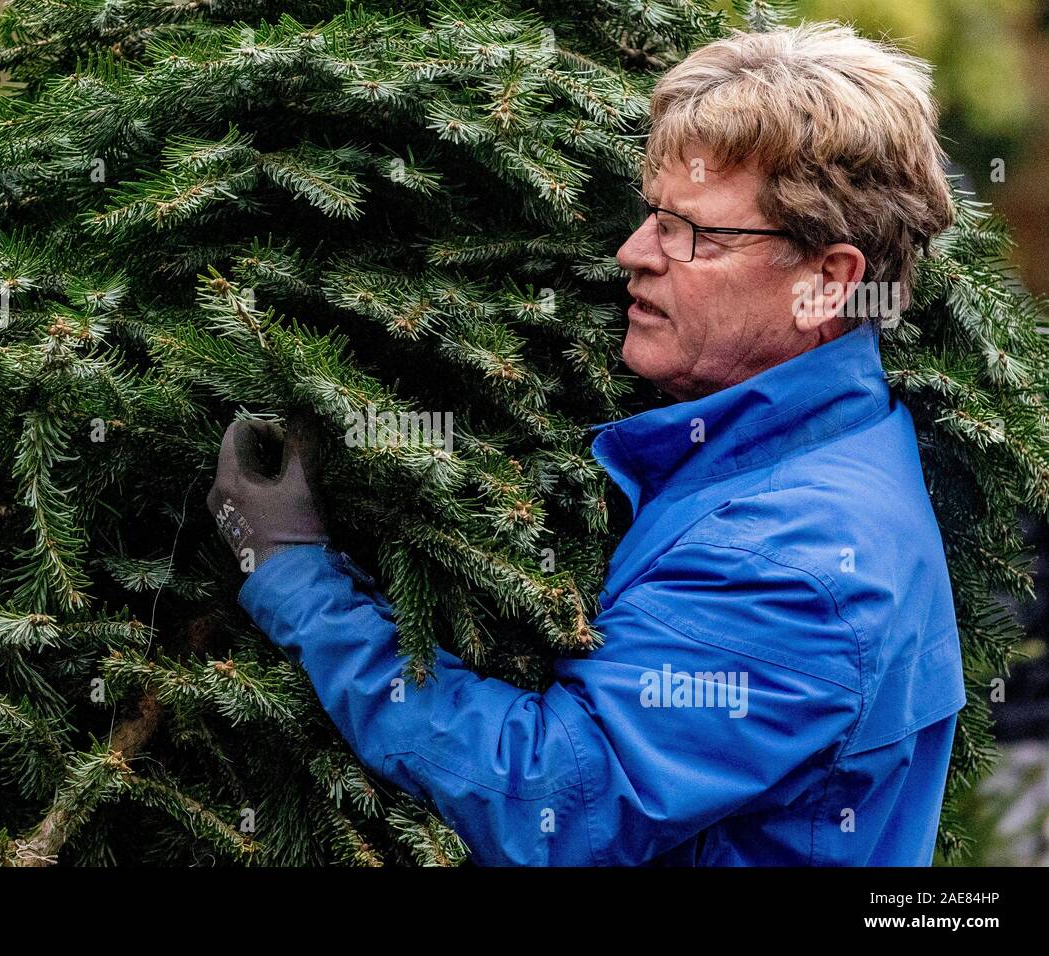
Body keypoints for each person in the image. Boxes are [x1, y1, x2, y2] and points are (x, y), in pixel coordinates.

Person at [206, 23, 966, 865]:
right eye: (651, 215)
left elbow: (552, 798)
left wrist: (296, 575)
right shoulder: (810, 444)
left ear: (827, 283)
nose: (634, 253)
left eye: (695, 233)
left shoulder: (798, 561)